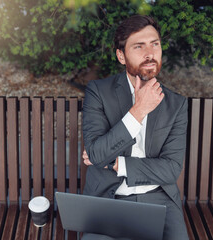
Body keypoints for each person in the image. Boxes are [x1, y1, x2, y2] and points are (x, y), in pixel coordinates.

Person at [81, 15, 189, 240]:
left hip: (159, 199)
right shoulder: (98, 92)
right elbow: (95, 153)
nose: (150, 53)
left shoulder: (176, 104)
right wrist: (138, 110)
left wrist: (116, 163)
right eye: (139, 46)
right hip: (109, 199)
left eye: (155, 44)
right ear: (121, 56)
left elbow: (170, 170)